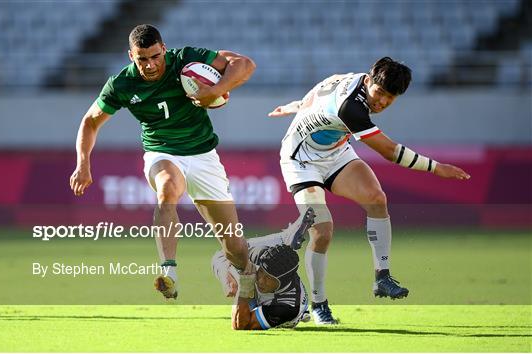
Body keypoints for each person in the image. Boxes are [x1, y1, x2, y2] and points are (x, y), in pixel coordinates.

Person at [269, 57, 471, 325]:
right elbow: (389, 152)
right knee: (323, 230)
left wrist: (297, 107)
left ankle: (382, 277)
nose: (383, 102)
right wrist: (436, 168)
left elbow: (316, 94)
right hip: (301, 160)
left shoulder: (350, 79)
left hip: (335, 152)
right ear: (368, 81)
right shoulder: (351, 107)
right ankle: (319, 305)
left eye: (391, 98)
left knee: (377, 199)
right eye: (380, 93)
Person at [69, 24, 258, 299]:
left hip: (203, 154)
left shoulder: (185, 59)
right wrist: (82, 164)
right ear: (131, 56)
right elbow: (90, 122)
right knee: (167, 189)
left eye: (155, 56)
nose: (150, 65)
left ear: (164, 50)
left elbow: (244, 64)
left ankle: (238, 277)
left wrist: (215, 89)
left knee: (234, 246)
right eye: (142, 59)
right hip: (162, 152)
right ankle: (169, 272)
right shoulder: (121, 84)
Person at [212, 208, 315, 330]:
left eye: (268, 278)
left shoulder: (288, 306)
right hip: (258, 260)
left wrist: (245, 287)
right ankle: (286, 238)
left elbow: (241, 326)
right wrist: (231, 277)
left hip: (280, 310)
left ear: (282, 282)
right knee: (232, 284)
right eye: (261, 273)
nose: (261, 280)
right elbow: (222, 255)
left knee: (243, 291)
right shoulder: (260, 256)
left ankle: (285, 238)